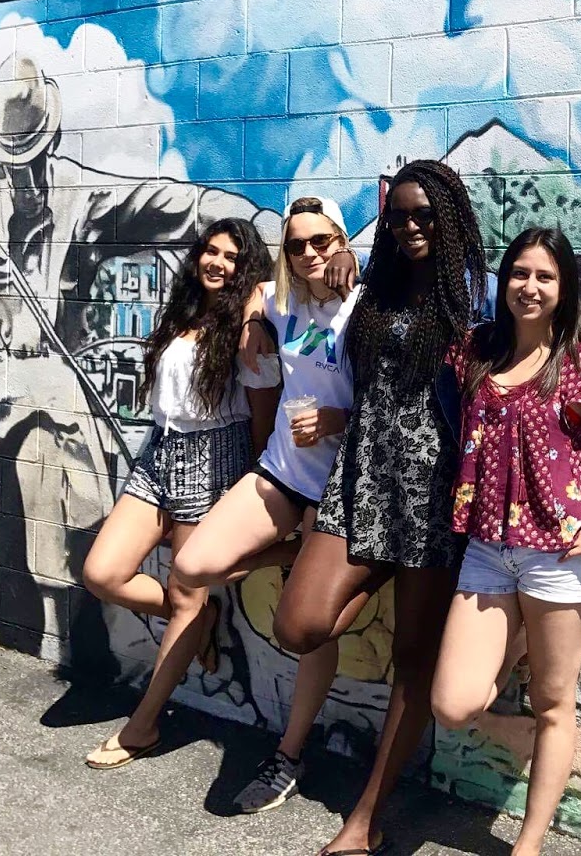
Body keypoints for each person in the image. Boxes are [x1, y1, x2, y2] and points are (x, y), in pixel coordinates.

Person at [270, 164, 581, 856]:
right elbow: (306, 312)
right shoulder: (370, 287)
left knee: (414, 660)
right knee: (301, 622)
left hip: (435, 499)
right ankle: (396, 589)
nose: (411, 226)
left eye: (425, 214)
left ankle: (365, 819)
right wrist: (339, 262)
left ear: (450, 218)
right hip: (363, 480)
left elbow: (546, 338)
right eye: (400, 215)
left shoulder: (475, 299)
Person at [0, 52, 278, 655]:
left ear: (51, 145)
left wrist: (265, 232)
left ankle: (163, 615)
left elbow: (174, 206)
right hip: (0, 400)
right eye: (11, 166)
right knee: (45, 447)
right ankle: (74, 635)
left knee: (75, 449)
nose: (24, 181)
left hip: (66, 394)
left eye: (33, 161)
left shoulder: (83, 198)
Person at [428, 226, 581, 856]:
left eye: (545, 276)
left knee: (552, 704)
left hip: (561, 557)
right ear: (503, 280)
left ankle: (528, 845)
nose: (530, 287)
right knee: (453, 703)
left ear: (564, 290)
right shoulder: (476, 352)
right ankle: (516, 645)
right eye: (520, 273)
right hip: (487, 551)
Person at [169, 196, 365, 816]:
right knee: (193, 564)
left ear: (342, 240)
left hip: (342, 492)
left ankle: (288, 753)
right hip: (283, 473)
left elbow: (394, 404)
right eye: (296, 244)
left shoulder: (364, 304)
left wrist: (337, 418)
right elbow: (256, 293)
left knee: (311, 632)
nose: (309, 253)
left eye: (322, 241)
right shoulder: (281, 299)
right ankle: (293, 553)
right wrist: (255, 319)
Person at [79, 218, 282, 769]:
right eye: (210, 251)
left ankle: (143, 725)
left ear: (247, 268)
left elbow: (262, 414)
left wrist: (252, 481)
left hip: (215, 455)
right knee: (103, 572)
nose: (217, 263)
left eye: (231, 257)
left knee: (188, 591)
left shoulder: (249, 326)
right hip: (160, 451)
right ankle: (197, 621)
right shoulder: (184, 312)